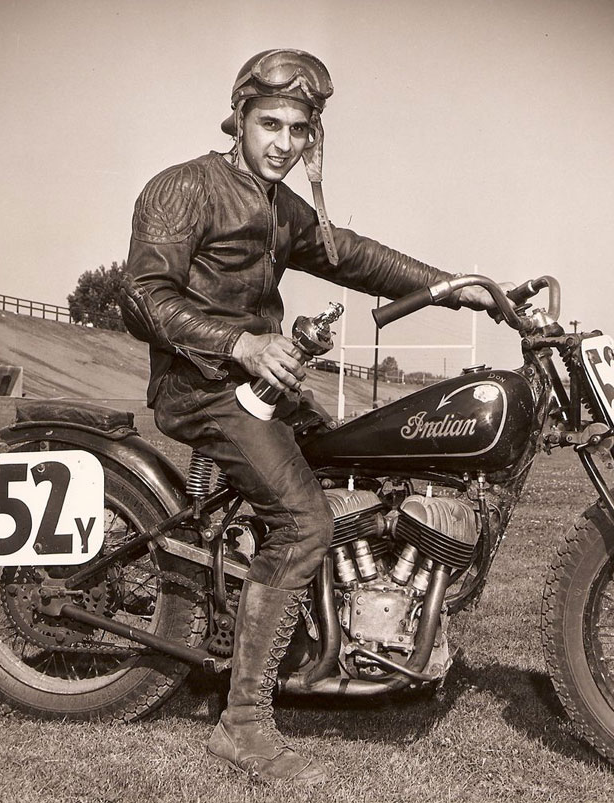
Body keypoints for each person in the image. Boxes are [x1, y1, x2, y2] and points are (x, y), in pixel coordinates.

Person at [120, 48, 502, 785]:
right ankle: (242, 723)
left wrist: (457, 286)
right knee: (303, 522)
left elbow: (352, 256)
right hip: (202, 386)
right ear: (239, 117)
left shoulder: (277, 205)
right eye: (270, 124)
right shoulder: (182, 188)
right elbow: (142, 297)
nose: (283, 143)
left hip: (263, 383)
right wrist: (241, 343)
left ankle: (317, 636)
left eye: (299, 130)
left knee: (350, 470)